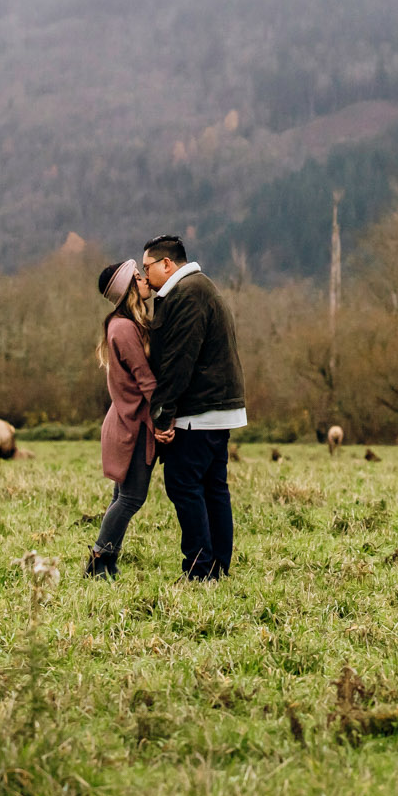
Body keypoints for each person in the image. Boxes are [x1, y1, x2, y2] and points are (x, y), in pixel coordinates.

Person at [141, 234, 245, 579]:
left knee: (183, 484)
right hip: (218, 406)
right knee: (214, 486)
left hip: (200, 409)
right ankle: (218, 565)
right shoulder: (199, 288)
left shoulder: (188, 294)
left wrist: (162, 413)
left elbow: (179, 359)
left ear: (167, 264)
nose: (146, 276)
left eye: (147, 268)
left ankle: (200, 568)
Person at [84, 258, 158, 577]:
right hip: (133, 427)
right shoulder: (125, 328)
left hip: (124, 422)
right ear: (129, 288)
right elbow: (147, 381)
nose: (145, 280)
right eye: (139, 277)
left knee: (122, 497)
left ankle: (107, 563)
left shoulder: (121, 324)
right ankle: (99, 560)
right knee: (131, 499)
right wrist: (165, 419)